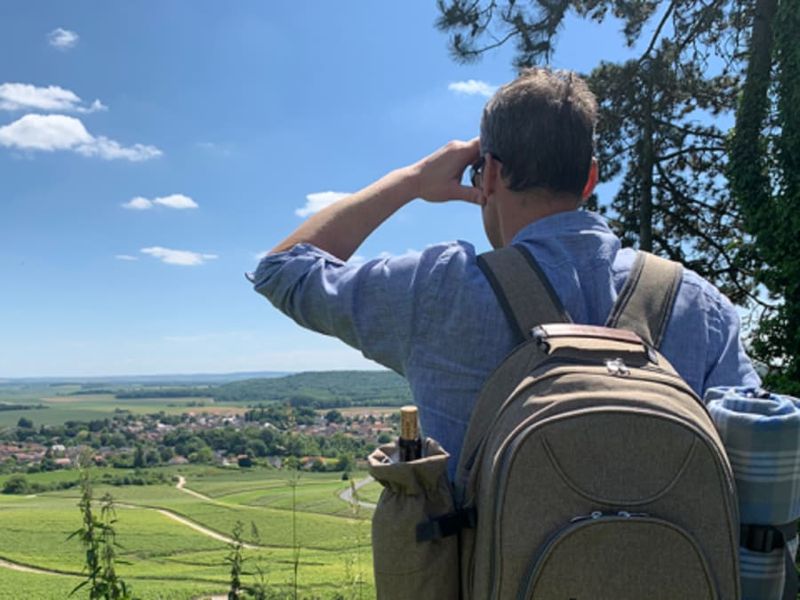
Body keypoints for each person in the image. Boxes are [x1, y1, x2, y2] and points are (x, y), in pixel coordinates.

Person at [249, 67, 760, 478]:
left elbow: (281, 271)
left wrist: (409, 181)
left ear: (489, 172)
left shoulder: (437, 288)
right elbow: (762, 479)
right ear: (590, 178)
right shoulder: (698, 304)